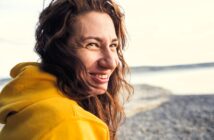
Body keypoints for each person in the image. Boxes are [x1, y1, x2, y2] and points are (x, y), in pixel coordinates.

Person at [0, 0, 132, 140]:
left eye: (113, 45)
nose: (111, 62)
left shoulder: (32, 102)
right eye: (92, 44)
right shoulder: (69, 122)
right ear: (58, 50)